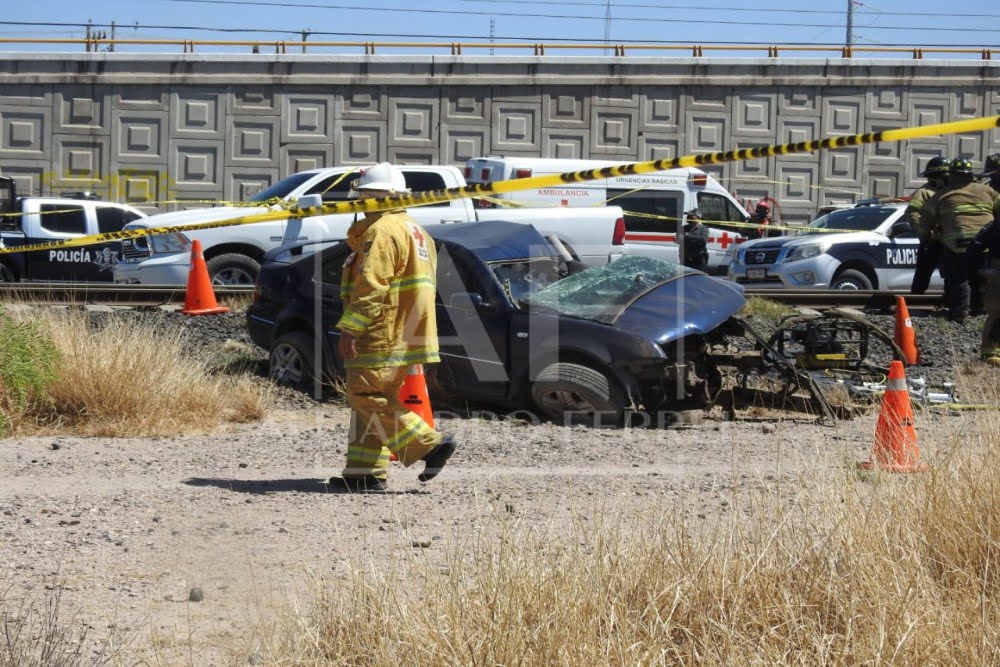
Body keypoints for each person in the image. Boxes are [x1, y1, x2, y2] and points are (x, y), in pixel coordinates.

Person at [330, 162, 456, 493]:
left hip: (383, 329)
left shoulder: (382, 231)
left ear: (377, 197)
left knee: (366, 395)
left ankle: (428, 444)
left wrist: (351, 328)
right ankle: (364, 473)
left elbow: (372, 284)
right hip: (407, 329)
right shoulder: (416, 230)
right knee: (375, 397)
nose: (357, 204)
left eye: (362, 197)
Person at [922, 157, 1000, 323]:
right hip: (983, 243)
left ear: (950, 175)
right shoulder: (988, 191)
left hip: (957, 244)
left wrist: (925, 236)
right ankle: (980, 312)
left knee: (958, 278)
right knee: (980, 277)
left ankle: (960, 315)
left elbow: (925, 220)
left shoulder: (941, 195)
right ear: (971, 175)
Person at [907, 156, 950, 295]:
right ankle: (915, 302)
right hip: (932, 241)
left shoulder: (952, 191)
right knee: (923, 273)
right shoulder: (924, 192)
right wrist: (924, 232)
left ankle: (950, 301)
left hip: (949, 241)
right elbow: (913, 214)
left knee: (951, 274)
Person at [969, 218, 1000, 365]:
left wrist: (977, 272)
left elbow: (975, 247)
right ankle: (991, 353)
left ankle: (990, 353)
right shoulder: (993, 226)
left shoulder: (993, 226)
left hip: (996, 267)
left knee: (996, 311)